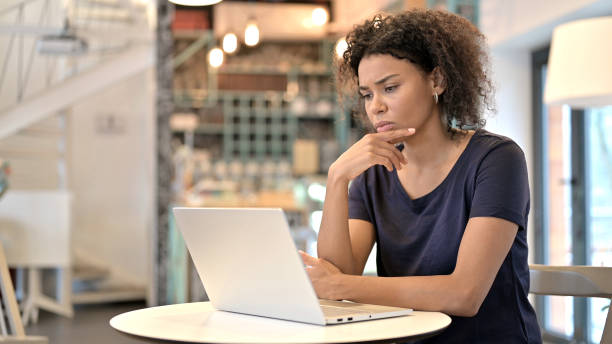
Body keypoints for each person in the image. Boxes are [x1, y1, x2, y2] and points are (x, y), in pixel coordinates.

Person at [298, 9, 542, 343]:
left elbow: (464, 295)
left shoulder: (496, 160)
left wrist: (340, 285)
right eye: (367, 94)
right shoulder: (374, 176)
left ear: (437, 81)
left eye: (390, 88)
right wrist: (337, 178)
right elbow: (338, 274)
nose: (375, 107)